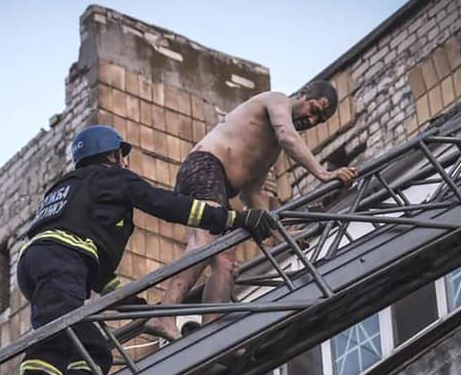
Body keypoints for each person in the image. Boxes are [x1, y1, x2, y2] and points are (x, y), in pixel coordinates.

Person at [10, 124, 275, 375]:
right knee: (92, 349)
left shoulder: (68, 189)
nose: (126, 163)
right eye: (123, 156)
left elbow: (95, 271)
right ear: (112, 155)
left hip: (37, 266)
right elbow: (167, 205)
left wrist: (131, 303)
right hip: (61, 262)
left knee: (53, 341)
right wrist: (234, 218)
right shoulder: (113, 178)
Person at [145, 80, 358, 341]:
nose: (312, 120)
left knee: (227, 263)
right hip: (205, 167)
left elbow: (251, 193)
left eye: (319, 119)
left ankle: (212, 331)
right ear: (301, 94)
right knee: (204, 243)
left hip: (219, 185)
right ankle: (164, 316)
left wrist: (284, 236)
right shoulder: (276, 100)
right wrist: (323, 173)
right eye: (313, 109)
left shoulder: (270, 150)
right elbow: (287, 134)